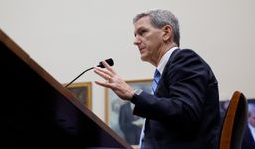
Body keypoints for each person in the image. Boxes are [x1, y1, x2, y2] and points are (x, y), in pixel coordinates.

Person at [94, 9, 221, 149]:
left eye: (142, 32)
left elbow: (185, 111)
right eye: (135, 35)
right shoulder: (165, 72)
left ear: (166, 33)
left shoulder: (184, 59)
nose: (135, 41)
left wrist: (133, 94)